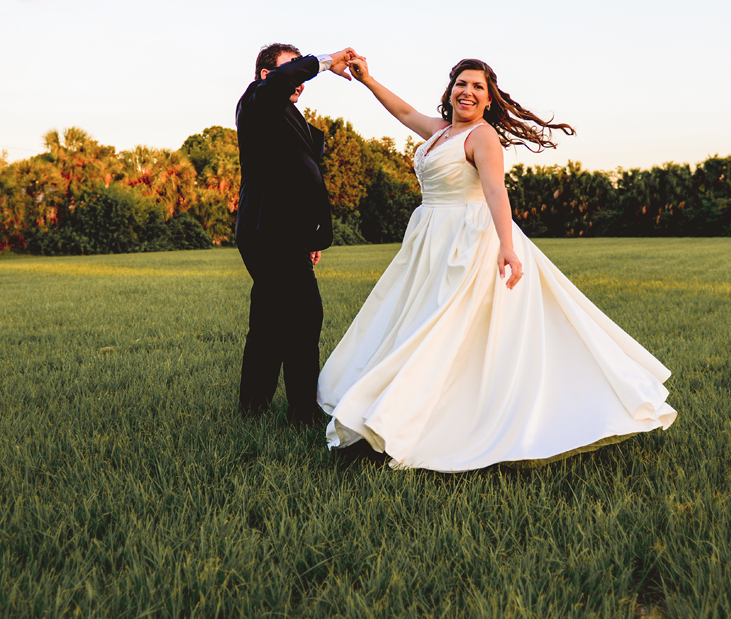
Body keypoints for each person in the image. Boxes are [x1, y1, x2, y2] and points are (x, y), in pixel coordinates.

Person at [318, 57, 677, 470]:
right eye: (460, 83)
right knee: (413, 323)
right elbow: (402, 111)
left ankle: (410, 421)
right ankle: (392, 412)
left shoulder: (482, 137)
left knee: (443, 327)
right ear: (449, 90)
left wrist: (507, 246)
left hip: (468, 240)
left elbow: (494, 190)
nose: (467, 92)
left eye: (477, 87)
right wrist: (367, 80)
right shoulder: (441, 133)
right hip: (431, 239)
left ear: (489, 100)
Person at [235, 43, 355, 426]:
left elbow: (301, 176)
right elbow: (285, 79)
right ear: (266, 74)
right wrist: (322, 62)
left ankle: (253, 407)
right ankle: (303, 414)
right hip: (270, 230)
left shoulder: (284, 113)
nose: (300, 78)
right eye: (293, 68)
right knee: (305, 318)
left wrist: (312, 237)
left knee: (269, 321)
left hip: (286, 232)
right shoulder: (257, 99)